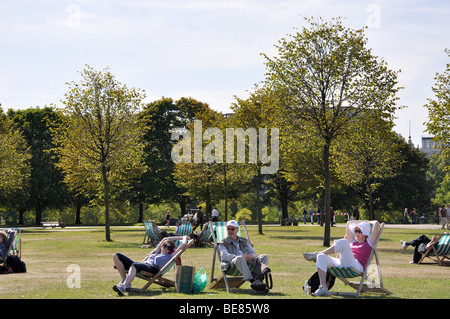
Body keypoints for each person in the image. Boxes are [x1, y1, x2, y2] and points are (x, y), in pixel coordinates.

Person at [303, 221, 373, 297]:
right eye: (356, 231)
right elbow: (348, 224)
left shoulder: (369, 243)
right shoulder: (353, 242)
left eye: (360, 231)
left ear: (365, 233)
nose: (357, 233)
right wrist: (357, 222)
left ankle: (318, 253)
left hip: (356, 266)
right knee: (321, 257)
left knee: (344, 242)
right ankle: (323, 288)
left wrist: (369, 222)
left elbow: (376, 225)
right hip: (344, 263)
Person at [112, 235, 189, 296]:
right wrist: (180, 237)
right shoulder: (157, 252)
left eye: (169, 248)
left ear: (170, 250)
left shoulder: (170, 256)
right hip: (142, 265)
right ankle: (124, 281)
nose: (166, 248)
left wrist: (185, 237)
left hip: (152, 268)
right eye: (164, 246)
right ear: (162, 246)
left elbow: (183, 244)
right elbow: (165, 238)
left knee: (134, 265)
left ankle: (123, 286)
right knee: (116, 256)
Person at [219, 220, 269, 292]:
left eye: (232, 229)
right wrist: (241, 257)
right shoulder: (223, 242)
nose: (230, 231)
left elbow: (254, 253)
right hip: (232, 266)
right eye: (228, 229)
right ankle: (252, 281)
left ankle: (258, 281)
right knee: (239, 258)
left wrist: (252, 256)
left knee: (264, 256)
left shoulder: (244, 241)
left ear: (237, 230)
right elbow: (224, 256)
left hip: (248, 263)